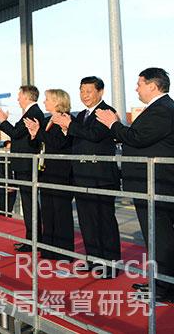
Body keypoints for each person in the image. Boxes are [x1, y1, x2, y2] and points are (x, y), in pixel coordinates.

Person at [96, 67, 174, 301]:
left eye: (139, 84)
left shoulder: (162, 110)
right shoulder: (160, 108)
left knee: (160, 238)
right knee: (157, 237)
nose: (136, 88)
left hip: (155, 183)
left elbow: (137, 138)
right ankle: (159, 282)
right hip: (150, 183)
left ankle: (164, 289)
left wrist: (113, 124)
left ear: (153, 85)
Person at [50, 77, 121, 277]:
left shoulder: (106, 112)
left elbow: (95, 135)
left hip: (101, 176)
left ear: (100, 92)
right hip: (81, 175)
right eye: (81, 91)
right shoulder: (81, 115)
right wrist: (65, 128)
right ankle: (93, 260)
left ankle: (110, 266)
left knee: (103, 221)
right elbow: (75, 138)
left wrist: (69, 125)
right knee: (87, 221)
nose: (84, 95)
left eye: (89, 91)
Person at [0, 85, 45, 252]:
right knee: (29, 204)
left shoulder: (33, 113)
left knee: (29, 204)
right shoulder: (31, 112)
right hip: (24, 165)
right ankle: (32, 238)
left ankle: (33, 240)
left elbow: (15, 134)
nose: (17, 99)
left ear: (27, 97)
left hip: (26, 165)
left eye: (19, 96)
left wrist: (2, 120)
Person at [24, 89, 75, 261]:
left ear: (57, 101)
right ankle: (48, 249)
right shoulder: (47, 121)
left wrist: (39, 132)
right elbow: (37, 143)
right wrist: (33, 135)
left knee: (61, 212)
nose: (44, 102)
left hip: (61, 172)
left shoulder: (66, 120)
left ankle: (64, 252)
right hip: (45, 171)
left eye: (47, 99)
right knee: (47, 211)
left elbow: (59, 143)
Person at [0, 140, 17, 217]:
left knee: (10, 209)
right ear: (4, 148)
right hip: (2, 187)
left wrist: (14, 186)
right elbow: (1, 174)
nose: (10, 150)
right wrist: (7, 186)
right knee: (2, 208)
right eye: (8, 148)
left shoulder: (15, 159)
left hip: (13, 187)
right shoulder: (1, 159)